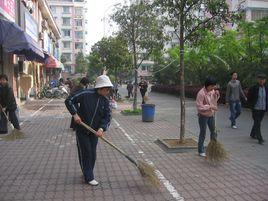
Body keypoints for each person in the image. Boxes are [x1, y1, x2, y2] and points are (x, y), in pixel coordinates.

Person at [65, 75, 113, 185]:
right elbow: (69, 100)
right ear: (100, 88)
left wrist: (101, 129)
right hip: (82, 129)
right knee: (85, 152)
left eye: (108, 90)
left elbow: (107, 117)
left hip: (94, 132)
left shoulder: (105, 101)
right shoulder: (86, 94)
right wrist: (75, 114)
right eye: (106, 89)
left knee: (93, 154)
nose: (108, 92)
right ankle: (89, 177)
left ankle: (87, 172)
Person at [196, 77, 220, 157]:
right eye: (212, 86)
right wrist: (210, 107)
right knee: (203, 132)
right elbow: (199, 107)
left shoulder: (212, 91)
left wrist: (216, 94)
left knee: (214, 132)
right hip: (203, 116)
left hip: (211, 115)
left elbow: (214, 100)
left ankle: (213, 149)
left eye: (214, 86)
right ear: (207, 85)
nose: (213, 88)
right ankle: (201, 150)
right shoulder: (201, 93)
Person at [247, 73, 268, 145]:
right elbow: (249, 97)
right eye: (260, 79)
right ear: (258, 79)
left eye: (263, 79)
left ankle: (252, 134)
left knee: (258, 122)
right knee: (257, 123)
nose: (262, 81)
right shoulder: (254, 88)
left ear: (265, 80)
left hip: (263, 108)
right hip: (256, 108)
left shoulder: (266, 88)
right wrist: (250, 106)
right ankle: (260, 138)